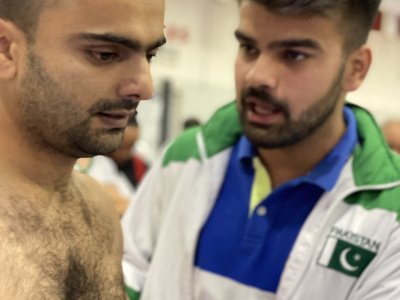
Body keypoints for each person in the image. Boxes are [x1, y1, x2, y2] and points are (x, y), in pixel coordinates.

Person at [122, 0, 400, 299]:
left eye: (294, 55)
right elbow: (128, 271)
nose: (257, 76)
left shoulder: (391, 210)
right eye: (249, 48)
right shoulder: (186, 155)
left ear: (355, 69)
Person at [0, 0, 165, 298]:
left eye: (150, 55)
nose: (145, 87)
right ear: (6, 49)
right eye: (105, 55)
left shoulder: (98, 213)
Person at [108, 116, 149, 189]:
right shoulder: (95, 165)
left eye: (131, 146)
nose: (125, 154)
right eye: (121, 147)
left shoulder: (141, 168)